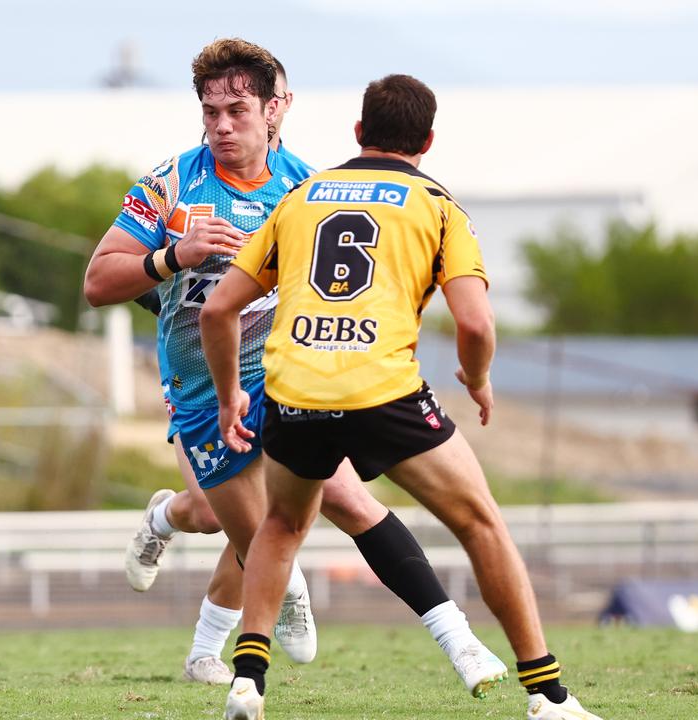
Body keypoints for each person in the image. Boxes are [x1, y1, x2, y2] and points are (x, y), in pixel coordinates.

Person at [86, 40, 506, 699]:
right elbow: (96, 281)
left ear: (276, 108)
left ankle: (460, 641)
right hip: (201, 391)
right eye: (210, 111)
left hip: (287, 380)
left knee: (344, 498)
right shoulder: (168, 184)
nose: (221, 125)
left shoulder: (307, 188)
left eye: (237, 110)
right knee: (233, 524)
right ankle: (173, 522)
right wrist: (173, 257)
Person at [203, 75, 604, 720]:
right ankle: (548, 695)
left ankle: (247, 680)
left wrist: (229, 398)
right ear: (428, 140)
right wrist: (476, 378)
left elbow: (219, 309)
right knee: (480, 523)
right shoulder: (438, 205)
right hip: (382, 392)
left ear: (358, 134)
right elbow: (475, 324)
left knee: (280, 526)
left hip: (294, 390)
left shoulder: (300, 198)